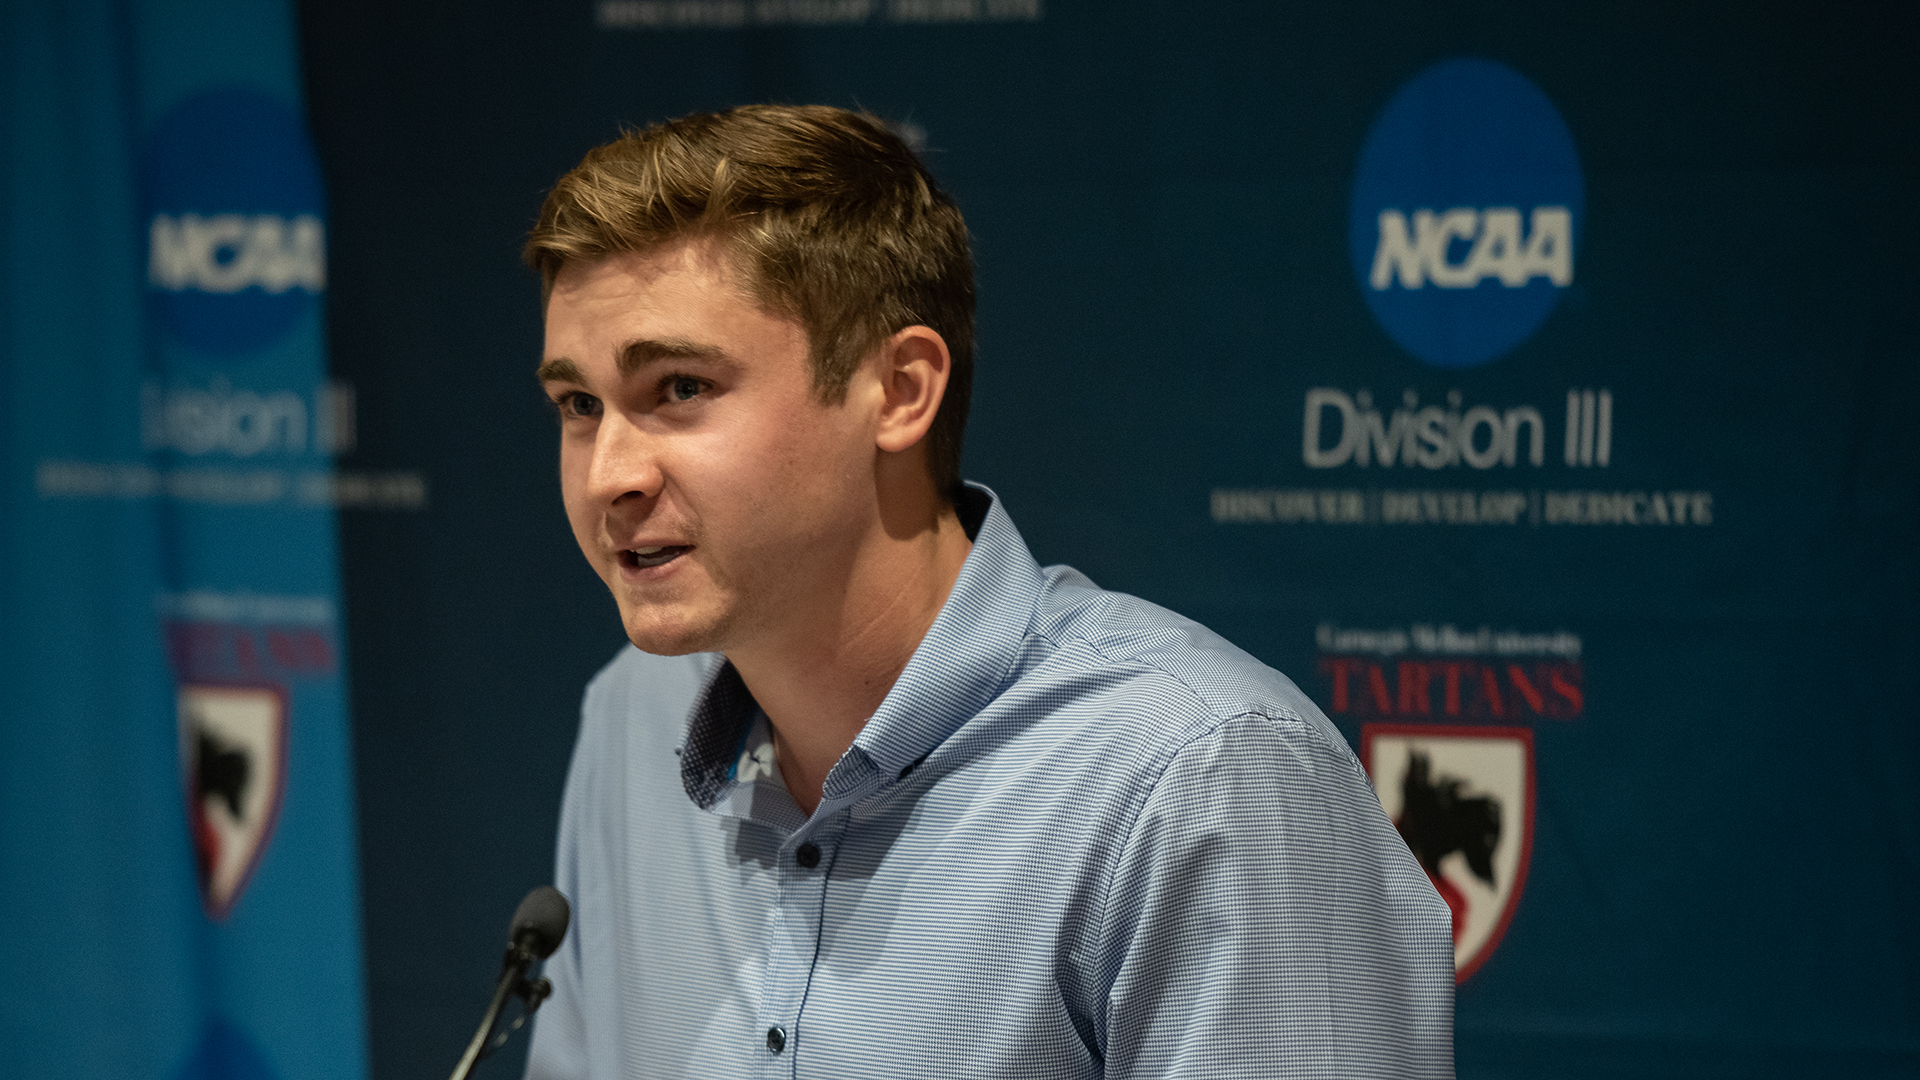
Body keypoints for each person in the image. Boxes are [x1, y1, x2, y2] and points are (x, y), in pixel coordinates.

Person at [521, 104, 1453, 1079]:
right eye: (579, 406)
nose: (607, 477)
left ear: (901, 390)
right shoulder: (630, 715)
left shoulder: (1198, 774)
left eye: (678, 389)